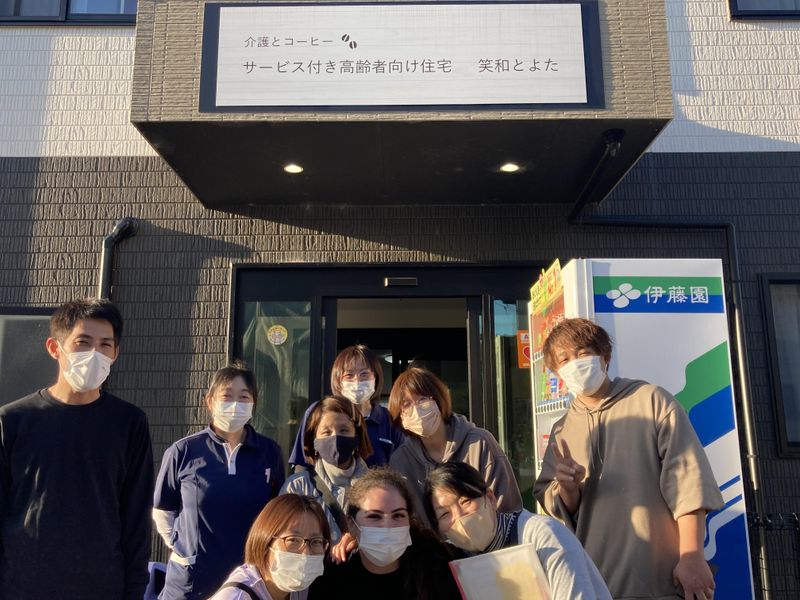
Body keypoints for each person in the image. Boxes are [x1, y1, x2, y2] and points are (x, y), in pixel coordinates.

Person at [533, 318, 724, 600]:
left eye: (583, 353)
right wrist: (568, 488)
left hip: (660, 579)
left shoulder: (652, 401)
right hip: (594, 581)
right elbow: (557, 504)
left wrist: (692, 555)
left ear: (605, 357)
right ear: (557, 372)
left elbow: (688, 481)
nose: (575, 364)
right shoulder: (562, 429)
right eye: (564, 359)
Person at [0, 298, 153, 599]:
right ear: (55, 348)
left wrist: (134, 591)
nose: (95, 353)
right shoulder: (13, 420)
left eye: (105, 345)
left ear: (116, 353)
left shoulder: (129, 423)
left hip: (101, 587)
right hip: (22, 587)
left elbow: (137, 518)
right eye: (83, 342)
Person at [154, 361, 286, 600]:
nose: (235, 404)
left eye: (244, 397)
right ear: (209, 401)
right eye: (226, 395)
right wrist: (183, 547)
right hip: (191, 582)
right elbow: (163, 510)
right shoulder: (183, 451)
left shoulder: (269, 453)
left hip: (248, 580)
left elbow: (276, 514)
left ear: (254, 404)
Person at [425, 462, 611, 600]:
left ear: (490, 498)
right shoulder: (452, 558)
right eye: (445, 514)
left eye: (466, 501)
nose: (460, 518)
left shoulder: (543, 536)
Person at [387, 367, 522, 526]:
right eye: (406, 404)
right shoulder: (401, 461)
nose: (416, 409)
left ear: (439, 399)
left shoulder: (479, 443)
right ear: (399, 415)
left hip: (488, 539)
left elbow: (508, 510)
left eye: (423, 399)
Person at [307, 468, 461, 600]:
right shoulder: (330, 583)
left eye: (398, 515)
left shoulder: (439, 567)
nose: (387, 526)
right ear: (352, 524)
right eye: (374, 516)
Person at [288, 345, 404, 470]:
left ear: (376, 377)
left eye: (364, 374)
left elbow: (401, 468)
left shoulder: (389, 419)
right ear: (338, 380)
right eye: (349, 375)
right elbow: (302, 463)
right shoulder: (318, 412)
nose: (357, 381)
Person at [280, 395, 372, 544]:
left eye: (344, 430)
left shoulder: (377, 487)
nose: (335, 438)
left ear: (357, 435)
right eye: (326, 432)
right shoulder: (297, 487)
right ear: (314, 440)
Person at [210, 494, 330, 600]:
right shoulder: (237, 596)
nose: (306, 554)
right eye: (293, 540)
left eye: (316, 541)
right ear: (266, 541)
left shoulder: (298, 589)